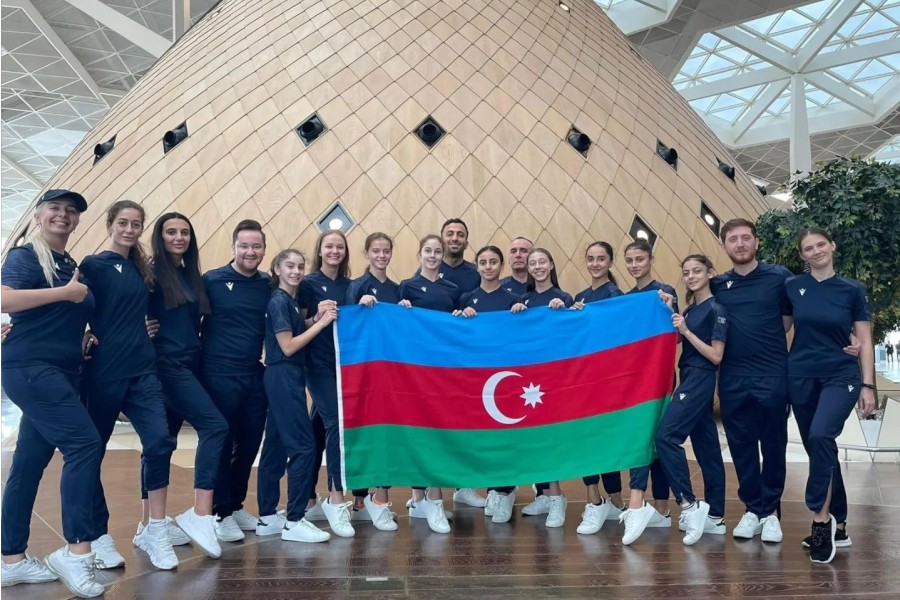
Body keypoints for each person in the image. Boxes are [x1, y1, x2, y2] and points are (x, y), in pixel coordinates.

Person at [0, 189, 104, 597]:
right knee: (84, 445)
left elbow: (62, 317)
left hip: (61, 372)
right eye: (55, 208)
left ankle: (11, 560)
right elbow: (4, 298)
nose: (63, 215)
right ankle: (76, 553)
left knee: (28, 463)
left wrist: (84, 336)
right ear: (39, 215)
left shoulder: (69, 264)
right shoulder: (26, 256)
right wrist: (64, 293)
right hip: (31, 369)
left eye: (71, 211)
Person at [80, 201, 180, 571]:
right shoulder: (92, 265)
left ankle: (155, 529)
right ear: (110, 225)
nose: (129, 229)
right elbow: (76, 306)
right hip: (104, 372)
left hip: (142, 370)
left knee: (159, 441)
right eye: (123, 223)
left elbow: (149, 307)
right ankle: (98, 534)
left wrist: (148, 326)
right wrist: (83, 333)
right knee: (91, 453)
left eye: (136, 224)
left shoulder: (143, 268)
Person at [785, 228, 875, 564]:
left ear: (832, 246)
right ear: (802, 256)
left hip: (841, 375)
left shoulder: (852, 289)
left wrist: (868, 385)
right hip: (801, 376)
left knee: (821, 435)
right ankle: (841, 525)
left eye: (821, 244)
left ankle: (820, 521)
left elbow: (865, 339)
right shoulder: (792, 286)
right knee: (820, 448)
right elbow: (780, 328)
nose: (816, 251)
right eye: (808, 248)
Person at [147, 212, 229, 559]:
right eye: (171, 232)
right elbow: (123, 308)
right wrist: (139, 328)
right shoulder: (150, 273)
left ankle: (150, 525)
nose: (179, 237)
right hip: (167, 366)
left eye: (184, 232)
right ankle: (200, 513)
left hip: (190, 363)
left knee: (162, 443)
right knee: (215, 426)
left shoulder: (190, 274)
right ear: (160, 237)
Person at [710, 218, 793, 544]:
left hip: (772, 374)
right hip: (732, 377)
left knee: (773, 444)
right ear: (724, 246)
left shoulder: (779, 277)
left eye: (746, 238)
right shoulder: (718, 284)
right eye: (733, 239)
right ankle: (752, 509)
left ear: (757, 242)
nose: (740, 244)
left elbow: (788, 321)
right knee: (741, 445)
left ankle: (770, 512)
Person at [255, 249, 336, 543]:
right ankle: (294, 520)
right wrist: (321, 324)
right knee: (304, 447)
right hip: (284, 373)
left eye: (300, 266)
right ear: (277, 269)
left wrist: (314, 317)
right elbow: (288, 346)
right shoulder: (279, 301)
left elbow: (295, 330)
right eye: (289, 266)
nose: (296, 271)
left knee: (275, 446)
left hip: (286, 375)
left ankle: (267, 517)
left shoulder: (289, 300)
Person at [200, 220, 271, 543]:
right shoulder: (212, 280)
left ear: (264, 250)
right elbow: (188, 319)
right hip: (218, 374)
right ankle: (220, 512)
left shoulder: (268, 283)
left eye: (256, 246)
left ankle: (235, 504)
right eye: (244, 246)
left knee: (249, 444)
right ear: (233, 248)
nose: (250, 252)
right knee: (222, 443)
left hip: (254, 374)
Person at [655, 255, 728, 546]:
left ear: (710, 273)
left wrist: (686, 331)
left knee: (666, 437)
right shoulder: (690, 309)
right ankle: (716, 516)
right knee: (707, 447)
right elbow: (673, 338)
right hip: (688, 376)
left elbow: (716, 355)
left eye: (697, 271)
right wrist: (669, 310)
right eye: (686, 273)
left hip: (701, 376)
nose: (691, 276)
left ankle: (688, 504)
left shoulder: (716, 309)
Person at [399, 234, 461, 533]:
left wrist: (461, 315)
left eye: (438, 251)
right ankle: (419, 499)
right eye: (428, 250)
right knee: (417, 429)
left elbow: (456, 325)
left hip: (442, 369)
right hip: (415, 369)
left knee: (438, 428)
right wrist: (400, 309)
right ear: (420, 253)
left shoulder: (452, 288)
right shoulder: (407, 286)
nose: (433, 255)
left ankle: (435, 499)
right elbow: (396, 324)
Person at [454, 245, 520, 524]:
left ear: (501, 266)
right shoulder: (467, 298)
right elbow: (455, 336)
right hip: (476, 379)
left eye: (493, 262)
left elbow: (523, 336)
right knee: (482, 437)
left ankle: (504, 491)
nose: (488, 267)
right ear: (477, 266)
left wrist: (522, 314)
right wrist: (460, 317)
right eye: (483, 262)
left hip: (504, 378)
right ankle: (491, 488)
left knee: (504, 437)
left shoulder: (513, 299)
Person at [617, 239, 674, 545]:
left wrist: (668, 306)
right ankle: (658, 508)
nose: (634, 265)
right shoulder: (626, 299)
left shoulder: (664, 292)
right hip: (634, 380)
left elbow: (674, 333)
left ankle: (641, 503)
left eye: (639, 259)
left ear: (651, 259)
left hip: (659, 378)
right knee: (645, 439)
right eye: (629, 260)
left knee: (653, 438)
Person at [299, 229, 355, 538]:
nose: (334, 251)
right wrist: (317, 317)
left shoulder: (351, 285)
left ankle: (308, 499)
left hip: (343, 367)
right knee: (335, 423)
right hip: (317, 365)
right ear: (320, 250)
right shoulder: (308, 284)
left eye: (340, 247)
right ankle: (336, 498)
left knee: (318, 429)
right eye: (329, 246)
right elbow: (299, 324)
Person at [346, 232, 401, 532]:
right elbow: (348, 325)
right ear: (366, 254)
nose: (381, 255)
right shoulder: (357, 286)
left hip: (390, 374)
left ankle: (380, 497)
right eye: (376, 251)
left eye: (386, 251)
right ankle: (359, 499)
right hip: (365, 371)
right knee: (365, 432)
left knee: (386, 434)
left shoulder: (396, 288)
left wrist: (405, 311)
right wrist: (358, 305)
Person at [570, 241, 627, 535]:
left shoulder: (616, 296)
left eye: (601, 259)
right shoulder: (580, 297)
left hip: (607, 380)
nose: (595, 264)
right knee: (585, 439)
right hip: (584, 380)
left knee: (606, 440)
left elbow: (618, 334)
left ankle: (615, 501)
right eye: (591, 259)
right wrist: (571, 314)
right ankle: (594, 498)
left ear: (610, 262)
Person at [514, 248, 573, 528]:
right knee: (533, 437)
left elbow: (573, 334)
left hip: (554, 378)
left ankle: (557, 496)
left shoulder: (563, 297)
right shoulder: (523, 300)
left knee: (551, 437)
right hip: (529, 378)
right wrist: (516, 315)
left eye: (542, 262)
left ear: (551, 265)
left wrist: (565, 313)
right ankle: (544, 494)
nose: (537, 267)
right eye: (532, 263)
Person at [438, 218, 480, 294]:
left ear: (466, 244)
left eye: (460, 235)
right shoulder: (429, 270)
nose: (455, 238)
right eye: (450, 234)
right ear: (441, 242)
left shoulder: (478, 273)